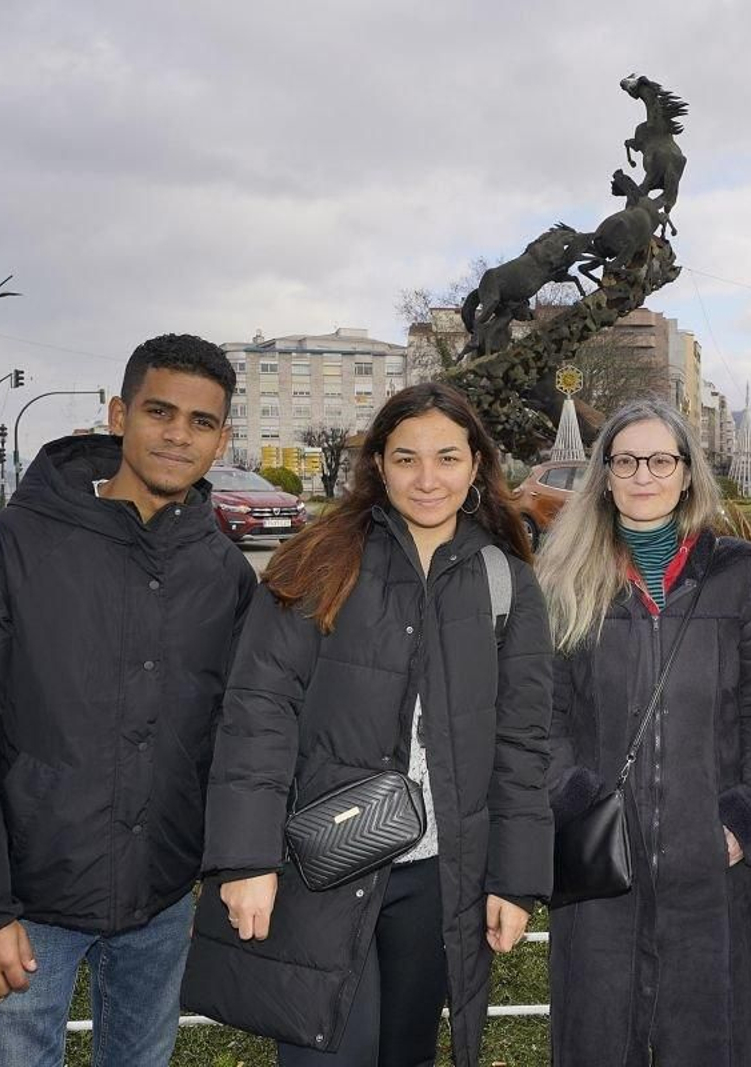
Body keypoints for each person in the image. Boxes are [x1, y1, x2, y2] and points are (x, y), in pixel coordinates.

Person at [0, 334, 257, 1066]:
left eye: (201, 421)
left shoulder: (222, 570)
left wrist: (212, 871)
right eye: (160, 411)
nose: (177, 434)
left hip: (160, 905)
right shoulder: (6, 549)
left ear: (221, 439)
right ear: (119, 413)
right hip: (25, 910)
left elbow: (234, 736)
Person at [185, 382, 552, 1066]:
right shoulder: (322, 557)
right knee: (327, 1051)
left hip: (441, 874)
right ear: (378, 464)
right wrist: (245, 856)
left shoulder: (506, 581)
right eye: (407, 458)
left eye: (447, 457)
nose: (428, 478)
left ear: (476, 464)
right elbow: (259, 708)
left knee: (403, 1054)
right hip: (318, 865)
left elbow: (522, 744)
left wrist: (515, 877)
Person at [535, 399, 751, 1067]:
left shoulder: (732, 572)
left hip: (707, 859)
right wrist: (576, 802)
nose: (643, 474)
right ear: (605, 475)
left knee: (705, 1039)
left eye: (660, 460)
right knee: (596, 1036)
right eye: (626, 460)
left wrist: (744, 819)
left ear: (686, 473)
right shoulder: (565, 574)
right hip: (598, 861)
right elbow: (541, 716)